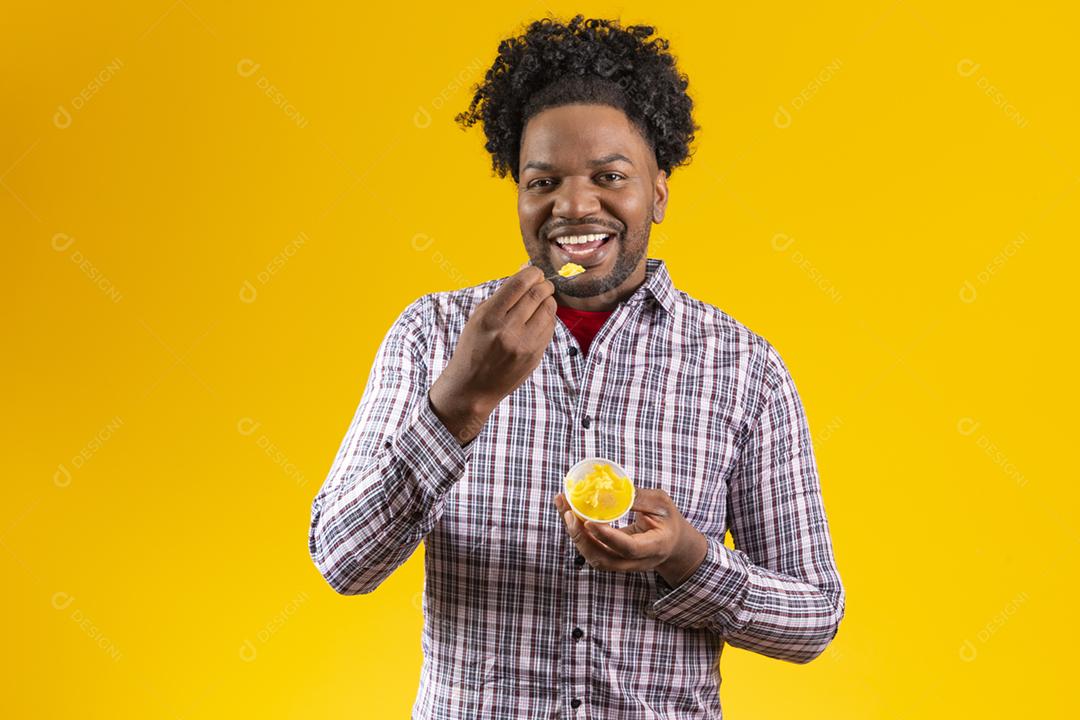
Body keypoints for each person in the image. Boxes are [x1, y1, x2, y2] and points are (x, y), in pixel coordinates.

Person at [308, 14, 844, 719]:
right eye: (543, 181)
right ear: (521, 195)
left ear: (658, 191)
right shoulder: (432, 335)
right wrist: (461, 402)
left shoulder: (744, 368)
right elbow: (344, 563)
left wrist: (687, 557)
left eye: (609, 176)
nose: (574, 204)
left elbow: (814, 620)